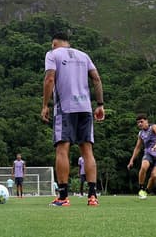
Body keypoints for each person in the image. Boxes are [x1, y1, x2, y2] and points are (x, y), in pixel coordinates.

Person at [41, 31, 105, 208]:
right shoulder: (84, 55)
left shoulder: (52, 54)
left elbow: (49, 79)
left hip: (65, 108)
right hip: (85, 108)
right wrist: (100, 104)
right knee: (87, 150)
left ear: (55, 43)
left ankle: (63, 197)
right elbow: (96, 79)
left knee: (63, 149)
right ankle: (92, 197)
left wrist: (45, 105)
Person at [127, 114, 156, 198]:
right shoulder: (141, 134)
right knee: (144, 166)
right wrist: (131, 160)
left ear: (146, 121)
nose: (140, 124)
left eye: (141, 122)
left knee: (154, 176)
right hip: (148, 154)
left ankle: (146, 191)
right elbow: (137, 148)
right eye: (138, 123)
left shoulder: (153, 127)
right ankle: (141, 188)